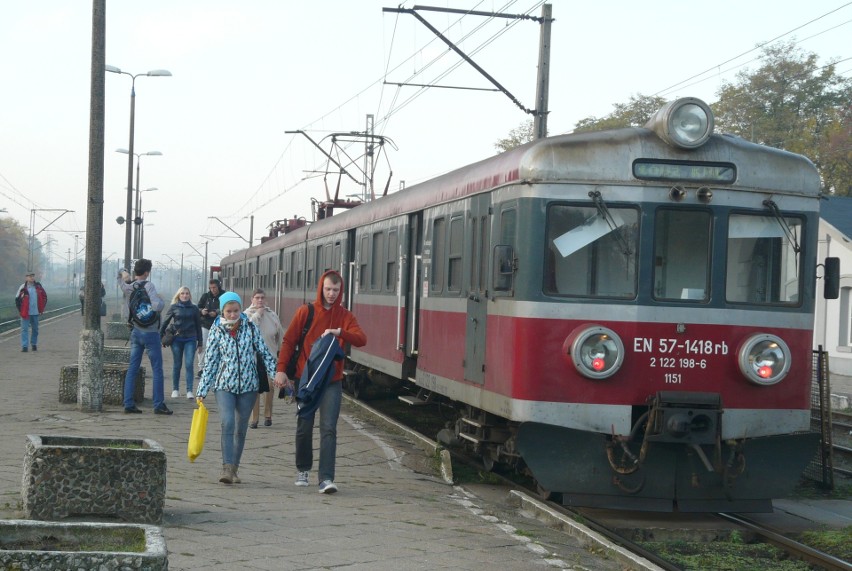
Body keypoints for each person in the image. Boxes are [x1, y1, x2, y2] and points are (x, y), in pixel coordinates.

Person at [274, 270, 366, 494]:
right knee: (304, 426)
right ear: (321, 288)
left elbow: (361, 339)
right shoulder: (306, 311)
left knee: (328, 429)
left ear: (340, 290)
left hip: (331, 381)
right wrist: (281, 371)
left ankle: (326, 478)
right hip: (305, 379)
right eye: (328, 289)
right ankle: (303, 469)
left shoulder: (345, 316)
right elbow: (288, 341)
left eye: (335, 290)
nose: (332, 294)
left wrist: (340, 332)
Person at [196, 292, 277, 484]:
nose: (233, 315)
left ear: (241, 310)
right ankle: (226, 468)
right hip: (224, 385)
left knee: (241, 428)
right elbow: (211, 361)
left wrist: (276, 374)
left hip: (249, 386)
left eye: (236, 311)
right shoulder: (217, 330)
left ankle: (234, 468)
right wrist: (202, 389)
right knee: (227, 423)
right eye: (229, 311)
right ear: (222, 312)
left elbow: (264, 353)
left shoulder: (250, 327)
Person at [118, 259, 172, 415]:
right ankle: (158, 404)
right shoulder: (149, 285)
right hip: (151, 333)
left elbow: (119, 276)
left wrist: (123, 271)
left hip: (135, 331)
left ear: (135, 271)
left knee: (132, 368)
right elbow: (157, 306)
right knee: (157, 369)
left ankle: (128, 403)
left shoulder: (128, 287)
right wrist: (160, 299)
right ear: (147, 272)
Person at [245, 288, 285, 429]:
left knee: (269, 387)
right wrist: (257, 315)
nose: (260, 300)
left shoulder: (272, 315)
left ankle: (268, 415)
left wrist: (282, 354)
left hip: (270, 357)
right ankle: (254, 419)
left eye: (262, 297)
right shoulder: (247, 315)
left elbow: (280, 335)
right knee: (254, 388)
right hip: (253, 359)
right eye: (257, 298)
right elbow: (247, 330)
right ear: (252, 299)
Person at [160, 286, 203, 400]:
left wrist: (200, 343)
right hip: (177, 339)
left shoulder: (194, 308)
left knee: (189, 364)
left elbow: (199, 325)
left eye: (187, 293)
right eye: (182, 293)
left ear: (190, 295)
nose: (185, 295)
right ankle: (175, 389)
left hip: (191, 338)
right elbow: (165, 322)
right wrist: (160, 337)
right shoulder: (174, 307)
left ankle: (189, 391)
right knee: (177, 364)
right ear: (178, 295)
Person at [15, 271, 47, 352]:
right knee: (24, 329)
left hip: (35, 312)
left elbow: (44, 297)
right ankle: (25, 346)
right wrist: (20, 310)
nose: (31, 277)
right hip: (25, 313)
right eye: (30, 276)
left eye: (32, 276)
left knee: (35, 329)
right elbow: (17, 299)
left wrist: (42, 307)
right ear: (26, 277)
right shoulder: (22, 287)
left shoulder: (38, 287)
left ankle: (34, 344)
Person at [197, 279, 224, 373]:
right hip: (205, 324)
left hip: (220, 325)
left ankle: (218, 368)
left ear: (218, 286)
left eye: (214, 287)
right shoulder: (205, 296)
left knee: (219, 346)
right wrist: (202, 311)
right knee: (203, 346)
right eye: (211, 288)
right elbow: (198, 307)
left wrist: (216, 312)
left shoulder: (224, 296)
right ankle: (201, 368)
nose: (212, 290)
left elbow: (227, 307)